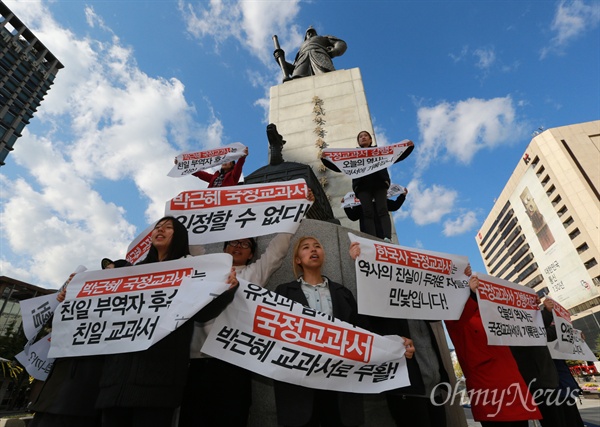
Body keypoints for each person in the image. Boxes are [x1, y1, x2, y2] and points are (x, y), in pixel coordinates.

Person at [95, 216, 237, 427]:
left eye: (168, 227)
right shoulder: (132, 272)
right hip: (116, 381)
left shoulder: (192, 270)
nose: (160, 230)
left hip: (158, 383)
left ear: (179, 236)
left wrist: (225, 290)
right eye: (157, 227)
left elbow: (202, 313)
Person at [272, 236, 414, 427]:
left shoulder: (343, 293)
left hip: (339, 384)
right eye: (305, 248)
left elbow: (363, 333)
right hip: (300, 389)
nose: (313, 250)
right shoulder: (284, 292)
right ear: (297, 259)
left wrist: (394, 345)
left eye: (317, 246)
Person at [348, 241, 447, 427]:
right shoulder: (378, 298)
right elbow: (362, 328)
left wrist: (462, 281)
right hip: (407, 390)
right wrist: (362, 265)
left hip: (434, 388)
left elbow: (446, 305)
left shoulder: (418, 296)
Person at [29, 260, 132, 427]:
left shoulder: (126, 305)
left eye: (109, 271)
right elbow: (52, 327)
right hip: (54, 391)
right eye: (104, 269)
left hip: (84, 392)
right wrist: (66, 300)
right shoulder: (80, 297)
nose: (103, 273)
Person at [445, 269, 542, 427]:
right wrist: (470, 293)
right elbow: (457, 321)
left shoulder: (493, 312)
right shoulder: (455, 316)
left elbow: (520, 325)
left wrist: (530, 307)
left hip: (511, 383)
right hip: (488, 390)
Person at [541, 299, 585, 427]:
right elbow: (548, 333)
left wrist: (575, 336)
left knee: (573, 420)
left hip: (564, 386)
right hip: (551, 389)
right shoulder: (540, 331)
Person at [351, 130, 393, 241]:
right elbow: (339, 164)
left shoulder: (379, 151)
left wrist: (407, 147)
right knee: (367, 212)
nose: (363, 137)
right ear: (358, 141)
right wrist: (326, 157)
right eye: (360, 136)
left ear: (370, 140)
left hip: (379, 184)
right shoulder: (352, 154)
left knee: (382, 210)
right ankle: (372, 238)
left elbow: (396, 154)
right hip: (362, 186)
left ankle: (387, 237)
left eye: (366, 136)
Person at [274, 26, 347, 81]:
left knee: (327, 74)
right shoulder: (300, 51)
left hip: (319, 54)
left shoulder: (323, 38)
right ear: (305, 36)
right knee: (297, 78)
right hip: (302, 58)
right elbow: (293, 69)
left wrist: (335, 51)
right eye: (308, 32)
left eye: (312, 32)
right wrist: (281, 60)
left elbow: (340, 43)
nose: (310, 33)